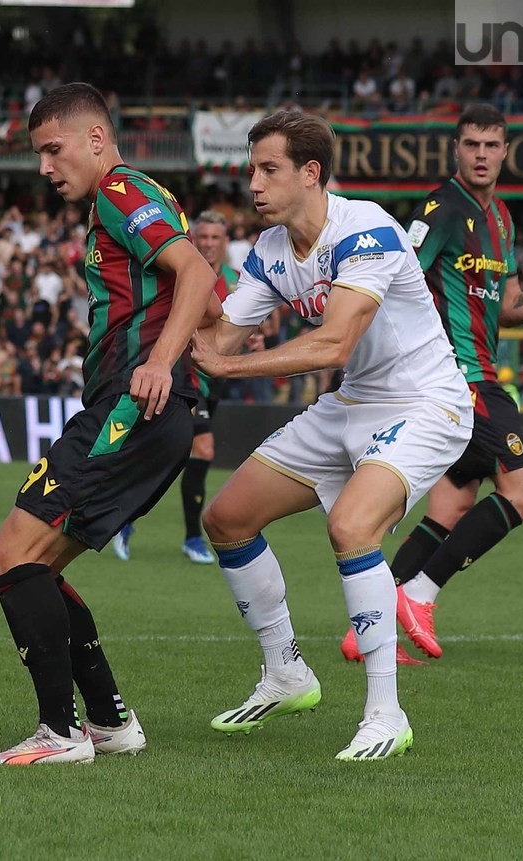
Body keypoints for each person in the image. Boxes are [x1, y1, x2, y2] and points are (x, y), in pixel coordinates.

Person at [190, 111, 474, 760]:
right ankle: (287, 672)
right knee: (228, 518)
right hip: (352, 404)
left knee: (351, 527)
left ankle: (386, 714)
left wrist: (228, 366)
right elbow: (216, 339)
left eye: (269, 169)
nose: (253, 183)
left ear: (310, 173)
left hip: (427, 403)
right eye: (251, 169)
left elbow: (333, 340)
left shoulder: (366, 228)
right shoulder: (268, 249)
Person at [0, 83, 218, 765]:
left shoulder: (120, 191)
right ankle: (110, 721)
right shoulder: (125, 203)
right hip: (145, 412)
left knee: (10, 554)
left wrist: (161, 362)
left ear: (94, 138)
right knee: (39, 565)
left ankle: (59, 733)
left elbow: (196, 273)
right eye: (38, 155)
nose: (45, 167)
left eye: (52, 150)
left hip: (130, 408)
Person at [341, 105, 523, 663]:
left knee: (451, 507)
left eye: (491, 145)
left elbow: (514, 305)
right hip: (459, 377)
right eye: (471, 144)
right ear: (456, 148)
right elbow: (392, 270)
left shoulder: (501, 217)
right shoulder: (442, 208)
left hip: (477, 372)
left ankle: (363, 631)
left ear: (505, 151)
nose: (481, 154)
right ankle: (419, 595)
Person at [112, 210, 237, 565]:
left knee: (169, 452)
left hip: (215, 381)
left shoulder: (235, 281)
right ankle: (193, 537)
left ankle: (125, 516)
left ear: (225, 243)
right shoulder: (182, 275)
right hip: (183, 376)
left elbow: (237, 329)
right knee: (202, 448)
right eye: (205, 237)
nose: (210, 244)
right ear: (194, 239)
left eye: (216, 238)